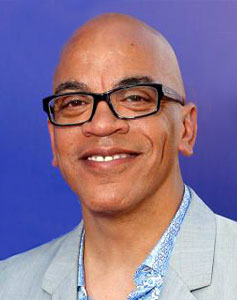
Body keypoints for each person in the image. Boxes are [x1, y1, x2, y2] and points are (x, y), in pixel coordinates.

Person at [0, 13, 236, 300]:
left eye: (134, 98)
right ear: (53, 140)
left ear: (186, 129)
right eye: (75, 102)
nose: (101, 125)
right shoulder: (8, 285)